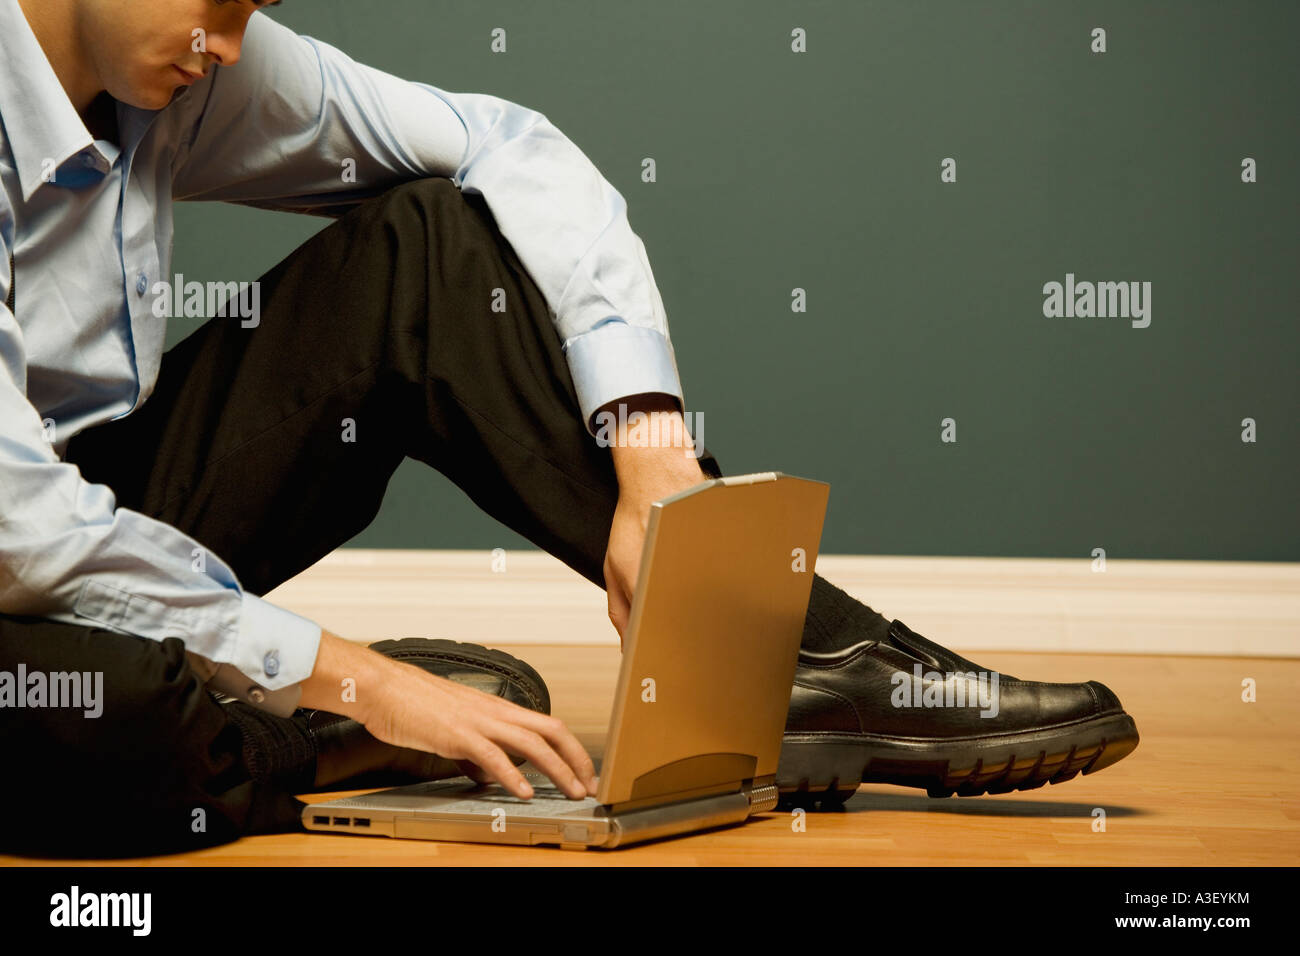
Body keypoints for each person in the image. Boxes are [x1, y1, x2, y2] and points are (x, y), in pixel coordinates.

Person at [0, 0, 1137, 856]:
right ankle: (318, 729)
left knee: (428, 246)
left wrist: (652, 454)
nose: (234, 43)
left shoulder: (180, 69)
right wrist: (353, 679)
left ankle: (789, 651)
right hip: (23, 574)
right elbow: (26, 534)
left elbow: (502, 142)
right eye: (216, 1)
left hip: (86, 514)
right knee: (111, 714)